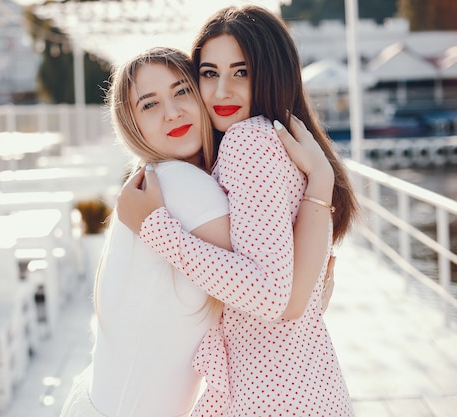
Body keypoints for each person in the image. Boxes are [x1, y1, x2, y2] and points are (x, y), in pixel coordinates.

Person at [60, 44, 337, 417]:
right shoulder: (181, 186)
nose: (172, 112)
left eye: (181, 91)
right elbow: (279, 296)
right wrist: (321, 180)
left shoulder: (168, 181)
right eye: (150, 105)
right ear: (131, 125)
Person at [116, 5, 359, 417]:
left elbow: (271, 295)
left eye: (241, 72)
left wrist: (157, 229)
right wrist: (320, 177)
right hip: (306, 386)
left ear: (271, 73)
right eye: (209, 73)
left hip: (276, 396)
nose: (222, 91)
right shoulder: (278, 141)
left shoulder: (247, 142)